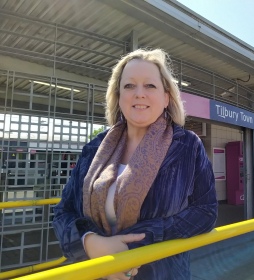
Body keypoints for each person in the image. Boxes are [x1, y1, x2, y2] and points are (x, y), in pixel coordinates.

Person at [52, 48, 218, 280]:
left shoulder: (188, 146)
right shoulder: (94, 148)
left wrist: (137, 243)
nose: (139, 93)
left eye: (150, 86)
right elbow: (63, 212)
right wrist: (90, 244)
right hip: (95, 272)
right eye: (129, 86)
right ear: (119, 96)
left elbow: (206, 211)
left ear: (166, 98)